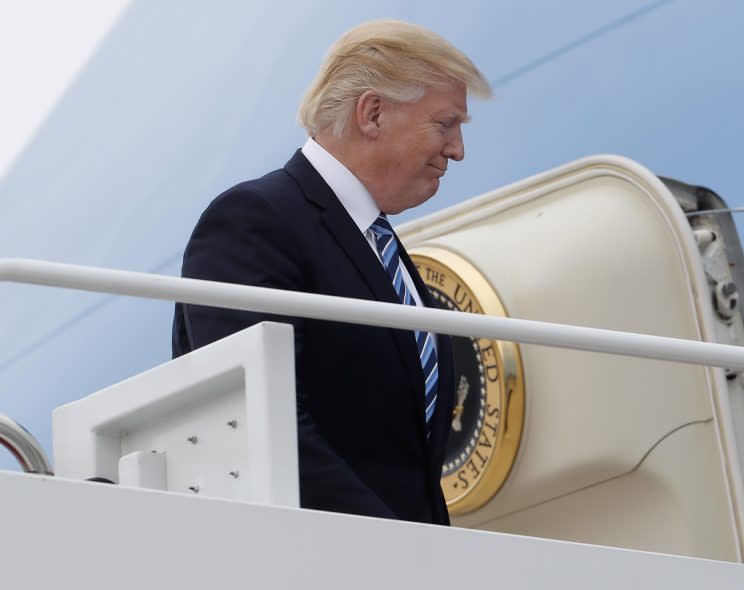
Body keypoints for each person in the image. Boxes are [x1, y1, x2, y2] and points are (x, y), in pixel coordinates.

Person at [172, 19, 491, 524]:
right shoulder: (253, 222)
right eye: (445, 123)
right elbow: (258, 421)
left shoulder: (379, 245)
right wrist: (390, 549)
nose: (457, 150)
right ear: (373, 113)